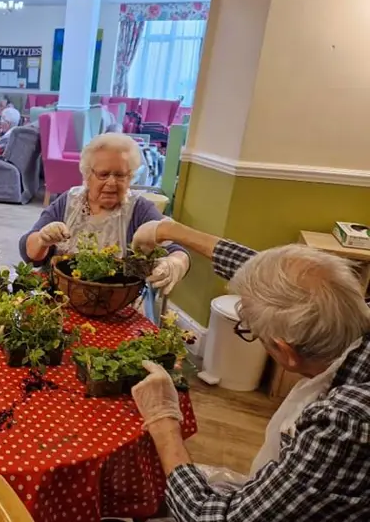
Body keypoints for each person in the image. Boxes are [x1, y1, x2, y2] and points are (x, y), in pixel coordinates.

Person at [129, 218, 370, 521]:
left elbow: (215, 518)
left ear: (285, 352)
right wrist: (169, 230)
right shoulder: (350, 311)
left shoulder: (344, 423)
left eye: (249, 330)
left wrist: (164, 423)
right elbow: (282, 281)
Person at [18, 133, 189, 295]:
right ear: (87, 174)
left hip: (116, 303)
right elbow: (30, 256)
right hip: (58, 296)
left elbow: (176, 251)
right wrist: (42, 240)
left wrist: (174, 264)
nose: (112, 182)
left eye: (120, 175)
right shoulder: (69, 201)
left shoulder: (140, 209)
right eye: (103, 174)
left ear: (130, 177)